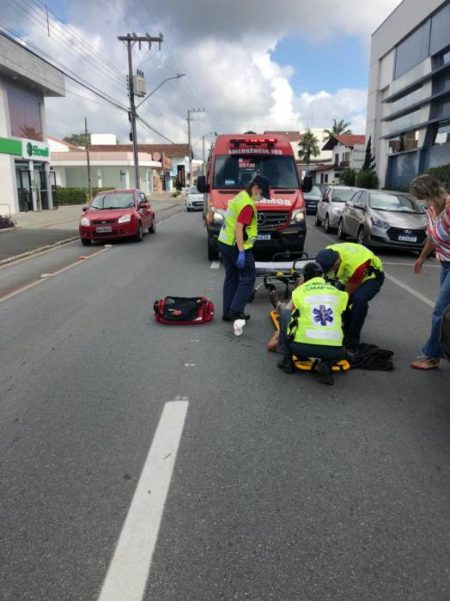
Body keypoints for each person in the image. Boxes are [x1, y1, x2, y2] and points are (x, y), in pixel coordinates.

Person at [275, 262, 348, 385]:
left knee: (286, 314)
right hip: (336, 351)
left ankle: (287, 362)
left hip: (302, 347)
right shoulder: (338, 293)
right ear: (323, 275)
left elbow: (288, 311)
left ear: (304, 277)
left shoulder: (299, 292)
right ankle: (326, 363)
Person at [218, 175, 271, 333]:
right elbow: (239, 228)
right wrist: (241, 252)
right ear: (255, 188)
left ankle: (228, 312)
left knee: (232, 276)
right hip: (236, 245)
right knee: (248, 277)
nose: (262, 197)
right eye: (262, 193)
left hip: (224, 242)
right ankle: (236, 310)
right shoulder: (247, 204)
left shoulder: (241, 196)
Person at [409, 174, 450, 369]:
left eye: (421, 197)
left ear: (429, 193)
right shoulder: (431, 211)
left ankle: (432, 356)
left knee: (440, 312)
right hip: (445, 265)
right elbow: (433, 238)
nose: (421, 202)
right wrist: (421, 258)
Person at [315, 242, 384, 351]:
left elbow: (346, 296)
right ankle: (343, 330)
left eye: (329, 269)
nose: (328, 272)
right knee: (334, 298)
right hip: (347, 276)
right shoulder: (328, 252)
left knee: (357, 301)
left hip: (371, 276)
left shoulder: (356, 265)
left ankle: (352, 341)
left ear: (336, 263)